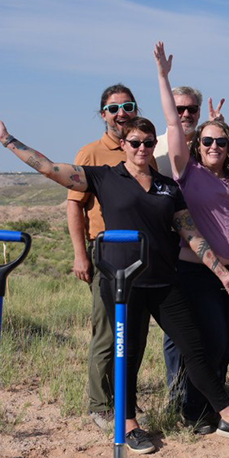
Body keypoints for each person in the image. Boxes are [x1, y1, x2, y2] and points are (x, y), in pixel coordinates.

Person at [0, 113, 229, 453]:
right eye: (135, 143)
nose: (142, 148)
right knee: (130, 354)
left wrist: (222, 273)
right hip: (123, 284)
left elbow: (192, 234)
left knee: (195, 349)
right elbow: (50, 168)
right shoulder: (104, 178)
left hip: (164, 282)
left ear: (154, 146)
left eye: (148, 143)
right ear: (124, 145)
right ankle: (129, 424)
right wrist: (7, 139)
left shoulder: (167, 187)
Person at [154, 42, 229, 433]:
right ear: (196, 146)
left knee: (223, 345)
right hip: (200, 273)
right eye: (206, 141)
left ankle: (212, 408)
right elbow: (175, 125)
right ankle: (195, 413)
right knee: (205, 344)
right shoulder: (186, 171)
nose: (212, 147)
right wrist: (163, 76)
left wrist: (219, 123)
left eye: (220, 142)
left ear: (228, 147)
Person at [67, 83, 138, 433]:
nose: (121, 113)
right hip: (105, 252)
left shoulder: (141, 149)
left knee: (134, 331)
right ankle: (100, 404)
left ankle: (126, 399)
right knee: (108, 330)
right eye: (113, 108)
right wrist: (81, 255)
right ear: (102, 114)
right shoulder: (91, 153)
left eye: (128, 106)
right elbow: (74, 206)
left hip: (140, 253)